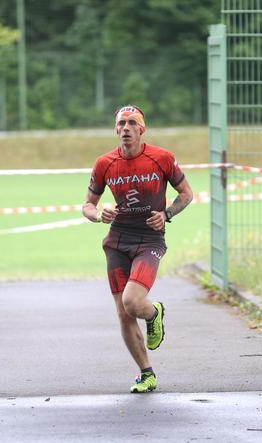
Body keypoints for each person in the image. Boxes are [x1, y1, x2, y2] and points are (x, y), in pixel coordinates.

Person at [82, 105, 194, 393]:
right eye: (122, 123)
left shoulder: (162, 158)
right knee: (123, 313)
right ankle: (147, 373)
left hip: (149, 240)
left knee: (133, 301)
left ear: (142, 129)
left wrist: (167, 214)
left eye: (133, 123)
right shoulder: (104, 163)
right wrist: (98, 215)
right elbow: (88, 205)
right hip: (117, 242)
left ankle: (154, 313)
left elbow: (186, 194)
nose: (126, 128)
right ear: (116, 129)